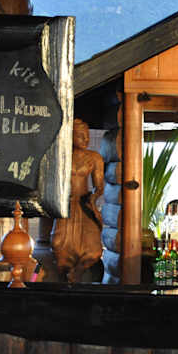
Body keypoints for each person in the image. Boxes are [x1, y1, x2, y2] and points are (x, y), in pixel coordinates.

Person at [51, 119, 104, 283]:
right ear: (71, 137)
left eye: (87, 136)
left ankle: (77, 273)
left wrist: (93, 198)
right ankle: (65, 278)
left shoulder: (94, 158)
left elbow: (99, 186)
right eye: (80, 136)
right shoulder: (61, 156)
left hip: (84, 205)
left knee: (94, 251)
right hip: (66, 206)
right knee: (58, 245)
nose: (86, 139)